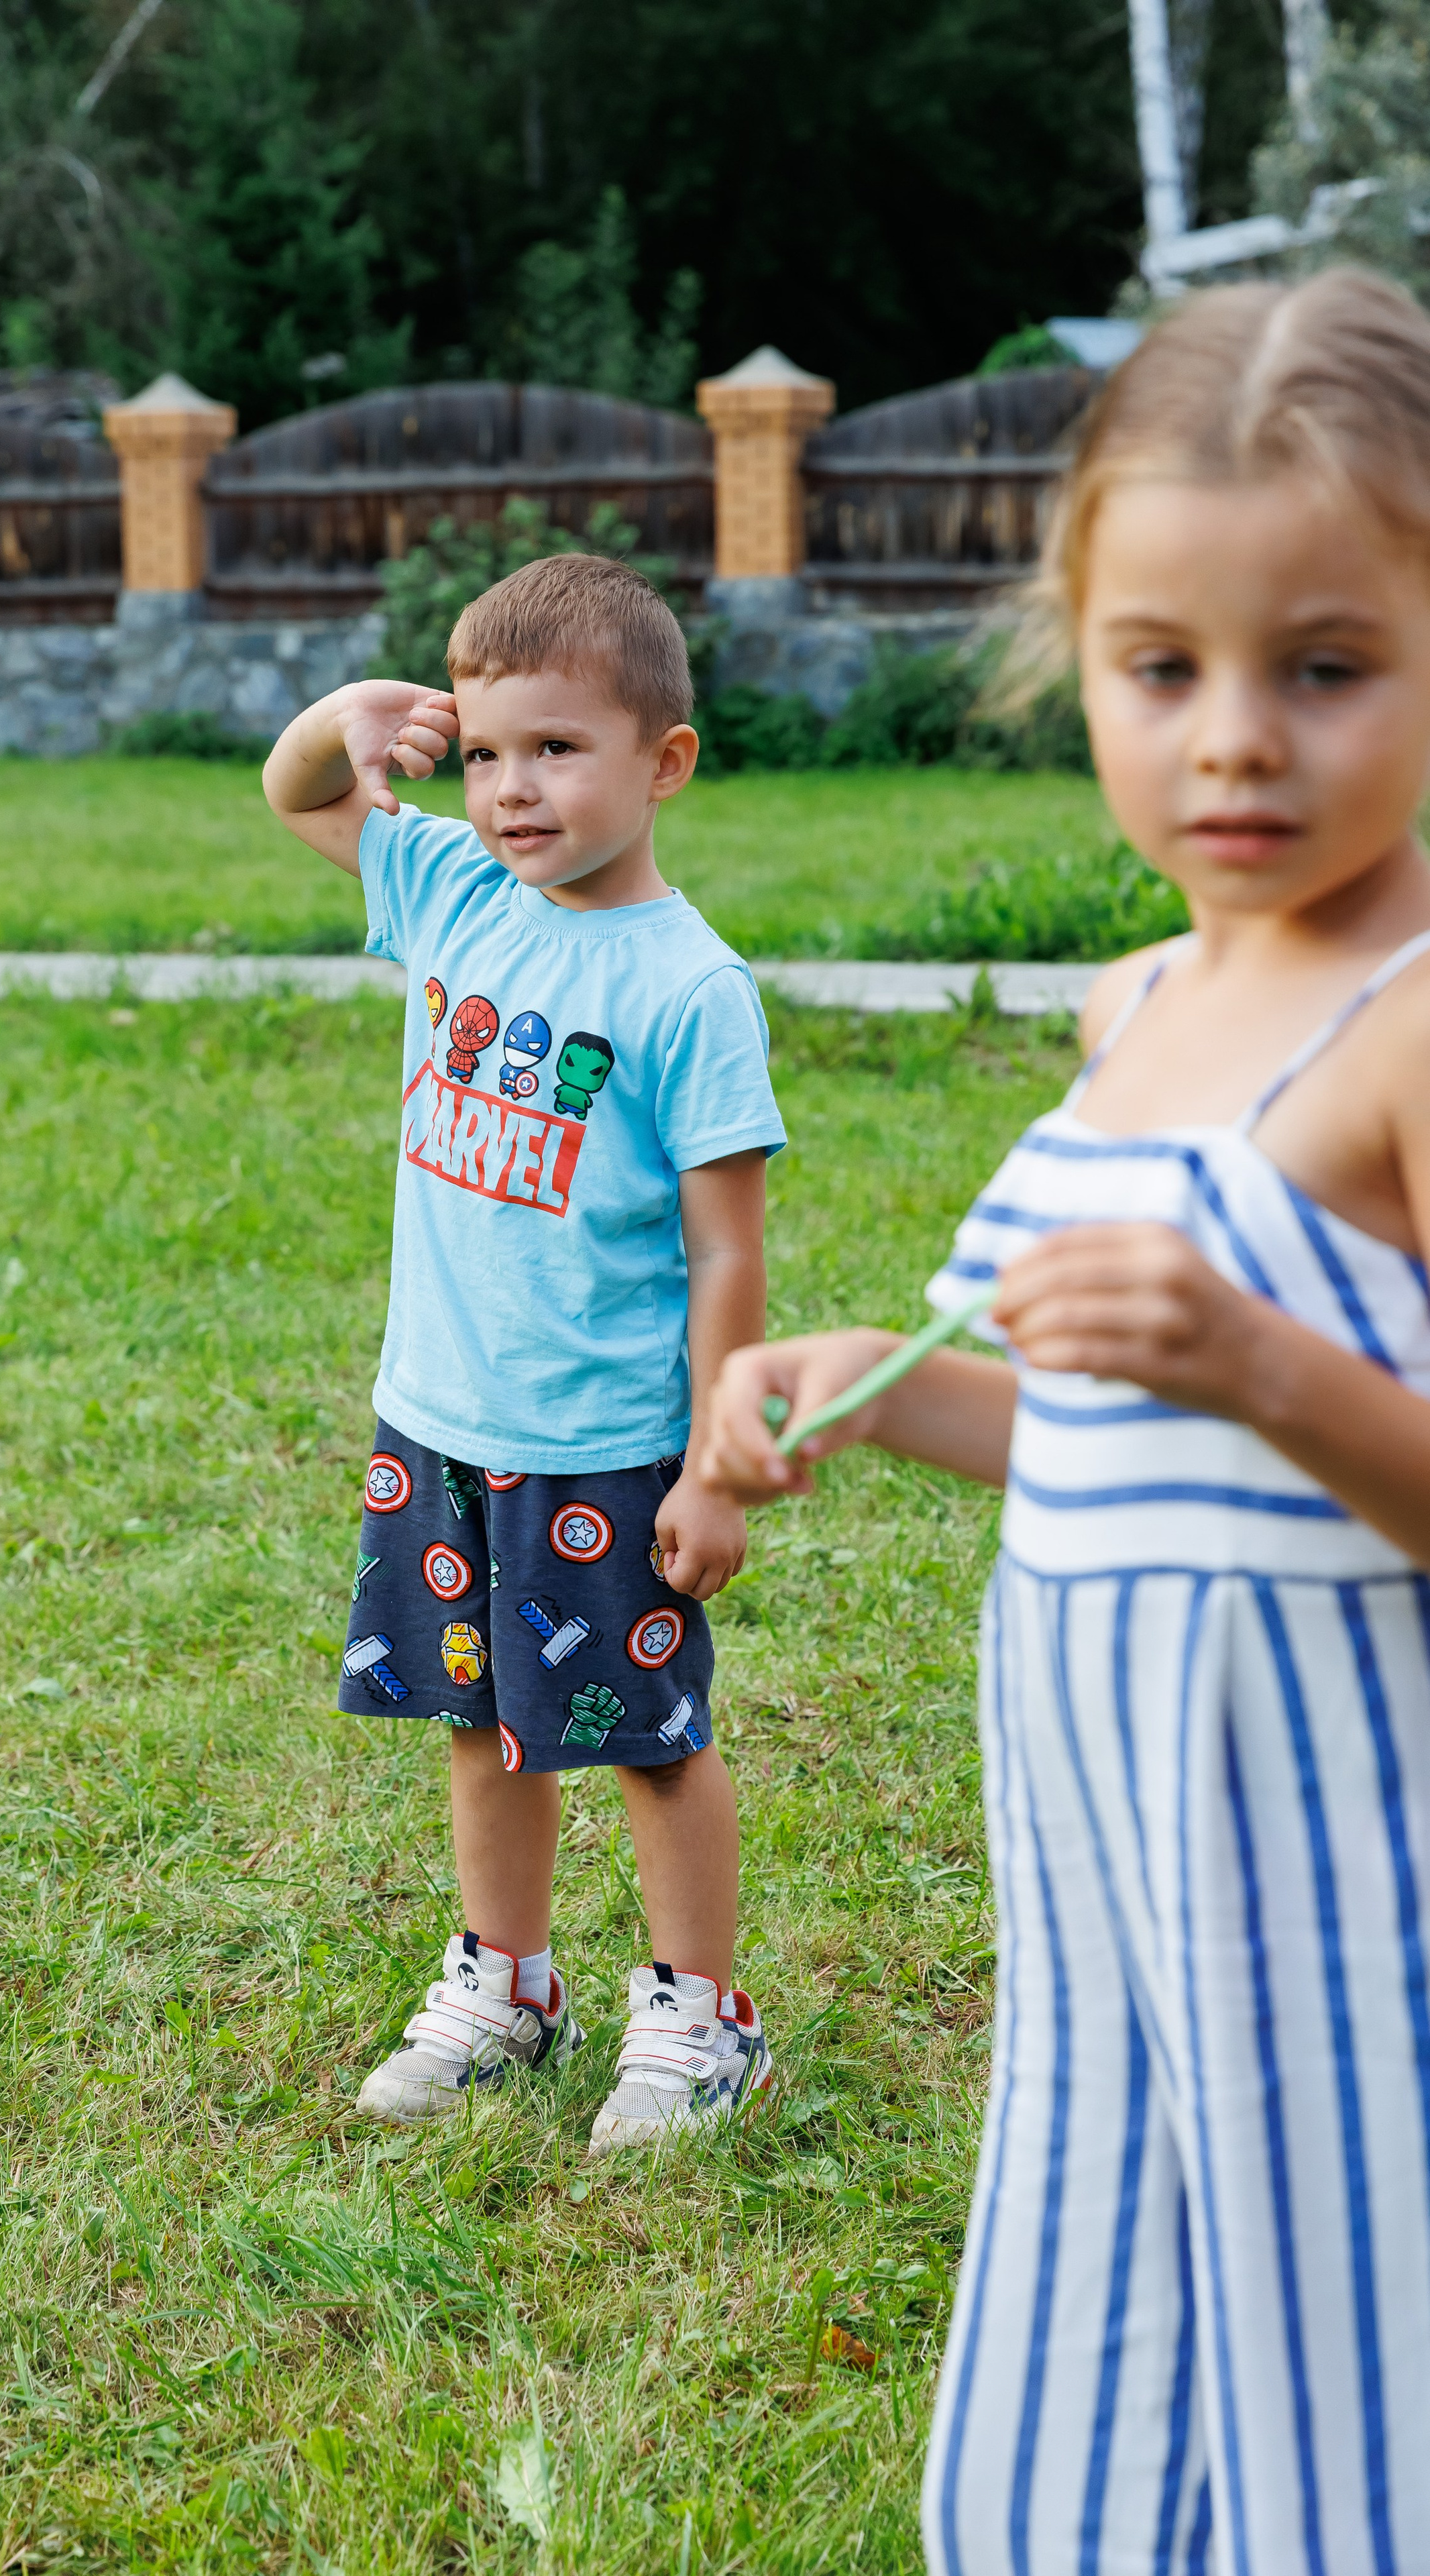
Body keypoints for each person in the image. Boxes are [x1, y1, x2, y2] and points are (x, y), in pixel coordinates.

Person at [702, 267, 1430, 2572]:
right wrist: (886, 1401)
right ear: (1074, 654)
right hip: (1105, 1830)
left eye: (1325, 669)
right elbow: (1137, 1462)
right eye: (1163, 670)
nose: (1235, 743)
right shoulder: (1136, 1001)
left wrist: (1263, 1355)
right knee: (1117, 2274)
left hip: (1341, 1848)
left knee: (1344, 2317)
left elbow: (1279, 1429)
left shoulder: (1414, 1025)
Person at [263, 551, 786, 2154]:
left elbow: (726, 1248)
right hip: (440, 1417)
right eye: (483, 752)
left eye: (554, 748)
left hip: (609, 1446)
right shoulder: (450, 894)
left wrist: (711, 1466)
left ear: (662, 761)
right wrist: (341, 715)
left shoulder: (690, 988)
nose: (507, 789)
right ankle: (510, 1983)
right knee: (482, 1722)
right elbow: (298, 797)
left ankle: (703, 2019)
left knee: (643, 1742)